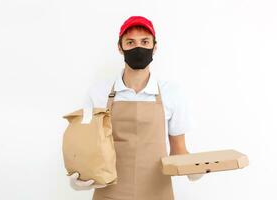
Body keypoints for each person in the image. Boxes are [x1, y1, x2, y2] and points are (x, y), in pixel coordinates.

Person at [68, 16, 203, 199]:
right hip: (109, 192)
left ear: (155, 47)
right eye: (130, 42)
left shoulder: (172, 93)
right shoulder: (98, 92)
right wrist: (80, 177)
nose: (138, 48)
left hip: (157, 193)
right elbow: (87, 147)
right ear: (120, 47)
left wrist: (195, 169)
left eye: (145, 41)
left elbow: (179, 150)